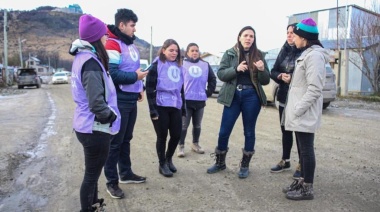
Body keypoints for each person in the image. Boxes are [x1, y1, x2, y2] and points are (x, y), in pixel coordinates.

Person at [69, 14, 120, 212]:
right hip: (95, 128)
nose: (107, 39)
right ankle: (87, 209)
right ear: (96, 38)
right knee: (91, 176)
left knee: (93, 172)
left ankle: (93, 205)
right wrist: (111, 116)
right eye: (104, 35)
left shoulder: (83, 58)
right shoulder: (90, 63)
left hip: (87, 125)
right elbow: (96, 103)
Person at [206, 26, 270, 179]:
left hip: (251, 96)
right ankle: (220, 162)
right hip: (233, 95)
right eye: (246, 35)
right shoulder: (229, 53)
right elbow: (221, 74)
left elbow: (266, 80)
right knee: (224, 130)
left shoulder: (259, 54)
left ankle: (244, 166)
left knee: (249, 131)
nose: (248, 38)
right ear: (239, 37)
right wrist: (236, 69)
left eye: (251, 36)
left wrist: (261, 69)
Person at [282, 18, 329, 200]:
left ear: (305, 37)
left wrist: (299, 109)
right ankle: (302, 181)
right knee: (302, 149)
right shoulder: (307, 53)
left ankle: (307, 187)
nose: (293, 38)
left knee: (307, 149)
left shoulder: (315, 56)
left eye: (296, 35)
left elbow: (315, 88)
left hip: (304, 112)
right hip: (300, 112)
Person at [103, 8, 148, 199]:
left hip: (131, 97)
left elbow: (134, 69)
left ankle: (126, 173)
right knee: (115, 142)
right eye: (132, 25)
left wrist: (140, 87)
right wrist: (134, 77)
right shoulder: (113, 44)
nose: (134, 29)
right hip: (119, 100)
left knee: (126, 139)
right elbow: (112, 74)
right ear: (121, 25)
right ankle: (111, 182)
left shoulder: (130, 45)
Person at [146, 39, 185, 177]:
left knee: (176, 135)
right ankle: (162, 163)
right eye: (171, 50)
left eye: (176, 51)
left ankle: (169, 159)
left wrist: (183, 107)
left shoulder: (180, 66)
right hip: (160, 104)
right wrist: (152, 110)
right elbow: (149, 88)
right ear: (163, 50)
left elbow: (181, 89)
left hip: (175, 104)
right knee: (162, 136)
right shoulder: (156, 65)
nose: (174, 53)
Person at [269, 23, 304, 179]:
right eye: (287, 32)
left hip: (298, 99)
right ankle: (286, 160)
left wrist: (293, 78)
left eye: (292, 33)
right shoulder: (283, 51)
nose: (289, 35)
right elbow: (273, 70)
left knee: (300, 132)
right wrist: (280, 76)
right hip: (284, 96)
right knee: (285, 130)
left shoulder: (305, 52)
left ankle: (302, 163)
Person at [177, 43, 217, 157]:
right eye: (192, 50)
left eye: (197, 50)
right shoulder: (182, 64)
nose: (195, 52)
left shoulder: (205, 65)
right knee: (184, 125)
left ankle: (195, 144)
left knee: (197, 125)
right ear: (187, 53)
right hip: (186, 101)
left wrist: (208, 92)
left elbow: (212, 79)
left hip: (200, 101)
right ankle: (181, 146)